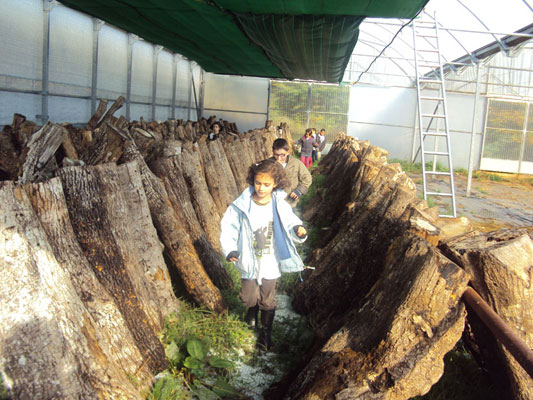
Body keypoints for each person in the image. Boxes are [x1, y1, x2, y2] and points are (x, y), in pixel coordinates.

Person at [220, 159, 307, 351]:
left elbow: (290, 220)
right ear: (253, 180)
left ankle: (266, 332)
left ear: (275, 183)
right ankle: (252, 309)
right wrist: (230, 249)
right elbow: (228, 227)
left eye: (266, 184)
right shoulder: (241, 205)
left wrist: (298, 229)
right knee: (248, 297)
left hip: (270, 260)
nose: (261, 188)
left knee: (267, 298)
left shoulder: (279, 204)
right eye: (258, 183)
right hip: (248, 259)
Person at [271, 138, 312, 208]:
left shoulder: (296, 163)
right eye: (276, 155)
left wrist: (299, 191)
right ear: (273, 152)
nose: (279, 158)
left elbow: (307, 178)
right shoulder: (269, 163)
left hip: (290, 201)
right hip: (272, 201)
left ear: (288, 152)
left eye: (282, 155)